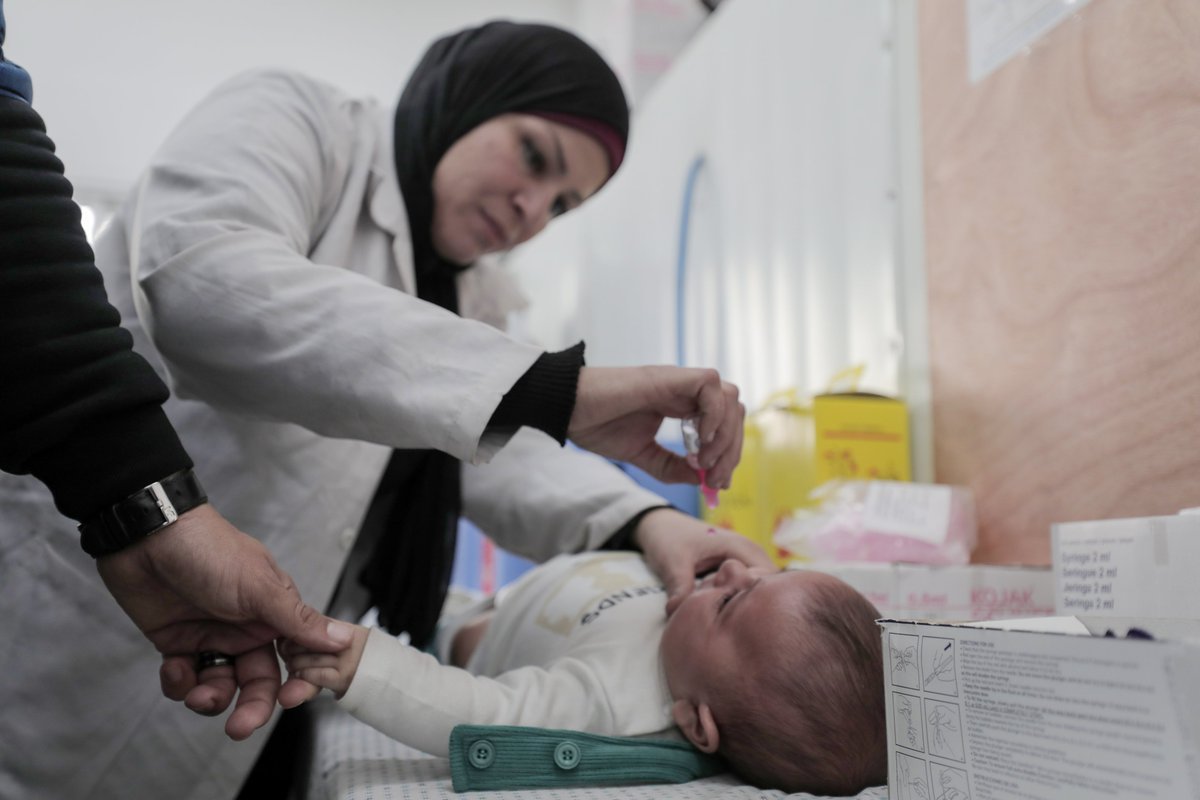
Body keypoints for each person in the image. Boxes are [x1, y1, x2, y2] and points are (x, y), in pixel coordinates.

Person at [0, 18, 770, 800]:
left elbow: (484, 448)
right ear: (472, 95)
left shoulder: (471, 297)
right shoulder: (299, 122)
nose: (533, 209)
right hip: (81, 625)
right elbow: (202, 285)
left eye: (562, 204)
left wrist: (650, 521)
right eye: (535, 157)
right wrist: (549, 390)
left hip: (254, 670)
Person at [283, 552, 888, 795]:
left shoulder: (612, 704)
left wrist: (369, 667)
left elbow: (482, 714)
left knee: (460, 626)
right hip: (549, 582)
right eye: (768, 571)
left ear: (696, 724)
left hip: (478, 629)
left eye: (731, 602)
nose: (733, 568)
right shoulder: (698, 627)